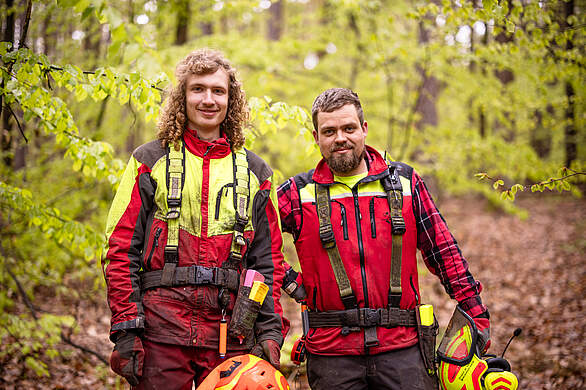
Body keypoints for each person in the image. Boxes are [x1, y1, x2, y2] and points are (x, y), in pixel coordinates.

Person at [278, 88, 490, 390]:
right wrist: (293, 284)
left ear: (364, 129)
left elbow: (443, 251)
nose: (340, 138)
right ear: (316, 137)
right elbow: (256, 243)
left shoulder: (405, 183)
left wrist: (474, 308)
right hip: (330, 354)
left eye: (349, 128)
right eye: (329, 131)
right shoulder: (296, 194)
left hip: (404, 350)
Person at [102, 49, 287, 389]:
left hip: (233, 333)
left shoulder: (256, 172)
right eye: (198, 89)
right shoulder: (149, 159)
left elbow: (268, 261)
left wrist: (270, 332)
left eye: (218, 91)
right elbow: (120, 248)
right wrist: (128, 328)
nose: (208, 99)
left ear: (231, 100)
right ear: (182, 97)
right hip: (160, 331)